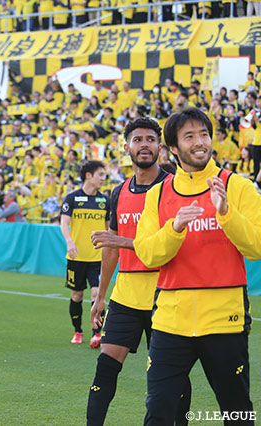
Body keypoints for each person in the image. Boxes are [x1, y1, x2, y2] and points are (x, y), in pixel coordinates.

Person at [133, 107, 261, 425]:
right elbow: (147, 254)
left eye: (204, 134)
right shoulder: (157, 195)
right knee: (159, 412)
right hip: (170, 325)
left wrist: (226, 214)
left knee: (237, 412)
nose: (199, 142)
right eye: (189, 136)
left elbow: (257, 247)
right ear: (173, 148)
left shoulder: (238, 186)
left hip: (225, 322)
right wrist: (174, 228)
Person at [86, 118, 191, 425]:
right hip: (126, 296)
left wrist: (124, 242)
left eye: (150, 139)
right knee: (105, 368)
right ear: (126, 147)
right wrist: (101, 296)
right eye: (137, 139)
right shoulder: (118, 192)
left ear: (160, 147)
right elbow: (110, 248)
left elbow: (175, 242)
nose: (144, 145)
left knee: (171, 376)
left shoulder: (176, 188)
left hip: (166, 294)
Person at [59, 160, 109, 347]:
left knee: (97, 294)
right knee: (77, 296)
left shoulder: (105, 201)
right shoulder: (72, 198)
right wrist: (69, 242)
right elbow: (64, 222)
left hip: (97, 258)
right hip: (76, 258)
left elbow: (109, 228)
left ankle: (97, 333)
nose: (103, 178)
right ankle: (78, 331)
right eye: (100, 174)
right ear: (89, 175)